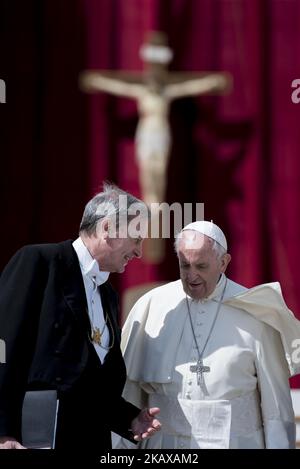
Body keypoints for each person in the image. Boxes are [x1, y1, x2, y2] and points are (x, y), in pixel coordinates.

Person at [0, 183, 161, 449]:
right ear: (108, 229)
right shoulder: (40, 262)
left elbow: (91, 382)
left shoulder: (107, 293)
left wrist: (129, 418)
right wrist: (3, 432)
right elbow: (4, 346)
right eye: (136, 238)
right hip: (37, 435)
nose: (139, 251)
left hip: (89, 439)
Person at [114, 221, 300, 449]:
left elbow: (276, 408)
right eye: (185, 266)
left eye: (201, 266)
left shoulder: (255, 311)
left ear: (223, 262)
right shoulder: (152, 306)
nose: (192, 276)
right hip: (164, 447)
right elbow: (129, 391)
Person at [80, 32, 230, 206]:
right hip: (145, 134)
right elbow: (118, 86)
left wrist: (213, 82)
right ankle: (151, 216)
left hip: (161, 134)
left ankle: (156, 214)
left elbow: (191, 86)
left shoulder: (167, 90)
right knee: (147, 179)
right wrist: (97, 81)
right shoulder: (141, 90)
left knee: (159, 177)